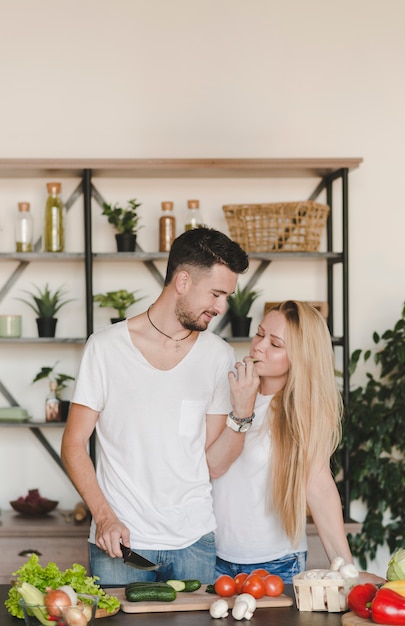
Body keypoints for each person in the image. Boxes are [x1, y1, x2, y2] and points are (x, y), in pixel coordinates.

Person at [61, 226, 249, 585]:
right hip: (121, 543)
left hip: (195, 541)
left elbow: (213, 463)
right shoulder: (105, 348)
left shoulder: (218, 356)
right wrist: (104, 517)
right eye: (216, 293)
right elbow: (72, 445)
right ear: (182, 281)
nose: (222, 307)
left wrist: (242, 414)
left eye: (227, 296)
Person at [210, 300, 383, 584]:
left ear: (300, 357)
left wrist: (346, 569)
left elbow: (319, 487)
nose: (258, 347)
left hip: (276, 564)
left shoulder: (303, 413)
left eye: (275, 344)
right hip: (213, 557)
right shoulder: (228, 390)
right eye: (260, 333)